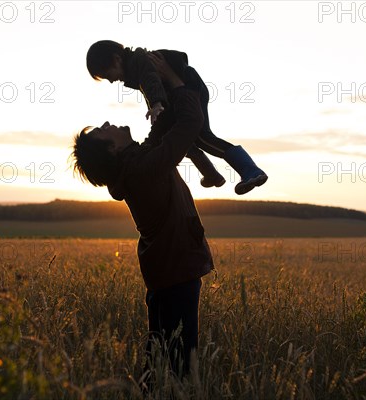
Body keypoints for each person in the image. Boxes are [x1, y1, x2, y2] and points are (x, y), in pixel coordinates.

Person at [70, 53, 214, 385]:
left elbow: (161, 135)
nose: (108, 124)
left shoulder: (135, 165)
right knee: (180, 359)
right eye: (104, 132)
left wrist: (159, 104)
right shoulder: (142, 170)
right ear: (112, 150)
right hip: (177, 268)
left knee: (160, 351)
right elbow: (189, 127)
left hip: (166, 269)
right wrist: (177, 84)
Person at [86, 40, 268, 195]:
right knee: (181, 138)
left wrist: (156, 103)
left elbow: (151, 80)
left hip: (188, 88)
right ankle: (211, 174)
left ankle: (250, 170)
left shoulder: (139, 61)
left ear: (117, 59)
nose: (110, 81)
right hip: (177, 96)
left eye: (108, 75)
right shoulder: (134, 69)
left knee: (203, 137)